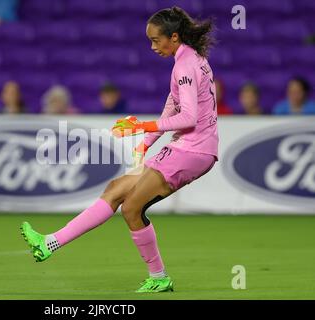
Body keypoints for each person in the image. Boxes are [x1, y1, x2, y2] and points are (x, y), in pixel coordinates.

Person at [20, 7, 218, 293]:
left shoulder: (184, 66)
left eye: (155, 40)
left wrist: (142, 126)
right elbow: (172, 107)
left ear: (174, 37)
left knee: (132, 207)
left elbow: (188, 118)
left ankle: (159, 277)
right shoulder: (191, 59)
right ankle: (48, 243)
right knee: (116, 189)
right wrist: (145, 143)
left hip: (193, 150)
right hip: (190, 147)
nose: (152, 47)